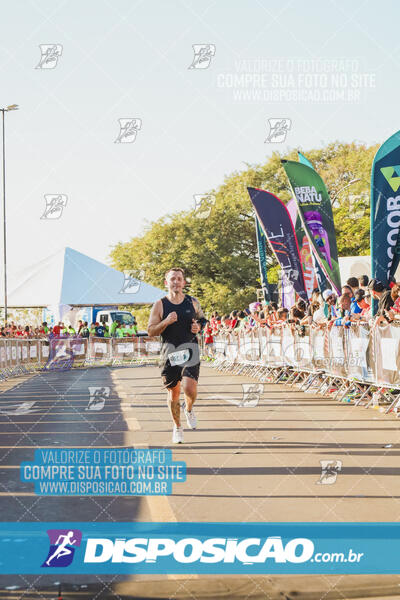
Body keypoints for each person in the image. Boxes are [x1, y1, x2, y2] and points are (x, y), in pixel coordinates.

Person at [148, 267, 206, 444]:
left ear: (184, 282)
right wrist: (166, 321)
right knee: (174, 393)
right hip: (170, 352)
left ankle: (188, 409)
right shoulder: (160, 304)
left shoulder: (192, 302)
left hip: (190, 349)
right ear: (167, 283)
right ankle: (177, 426)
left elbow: (202, 319)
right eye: (172, 279)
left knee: (189, 388)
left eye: (179, 279)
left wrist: (199, 327)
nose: (176, 282)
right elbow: (151, 330)